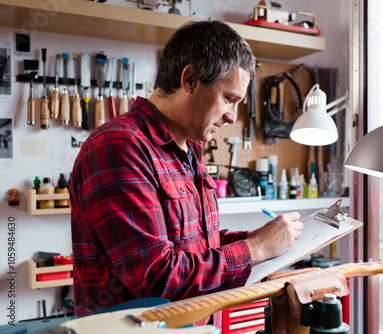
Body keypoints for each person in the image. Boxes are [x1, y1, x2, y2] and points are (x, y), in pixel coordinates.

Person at [69, 20, 303, 328]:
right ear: (190, 80)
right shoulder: (119, 146)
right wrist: (256, 249)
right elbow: (157, 279)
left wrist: (262, 239)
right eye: (228, 98)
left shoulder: (188, 147)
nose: (232, 116)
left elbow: (195, 244)